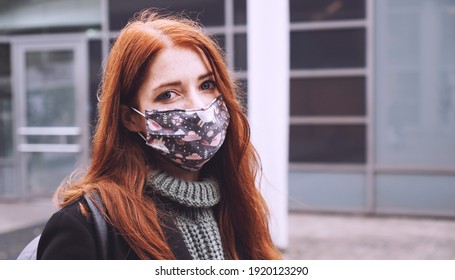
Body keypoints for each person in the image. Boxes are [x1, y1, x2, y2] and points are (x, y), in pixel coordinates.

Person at [36, 10, 281, 260]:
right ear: (131, 118)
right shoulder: (84, 225)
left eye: (206, 85)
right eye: (168, 94)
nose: (199, 107)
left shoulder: (237, 204)